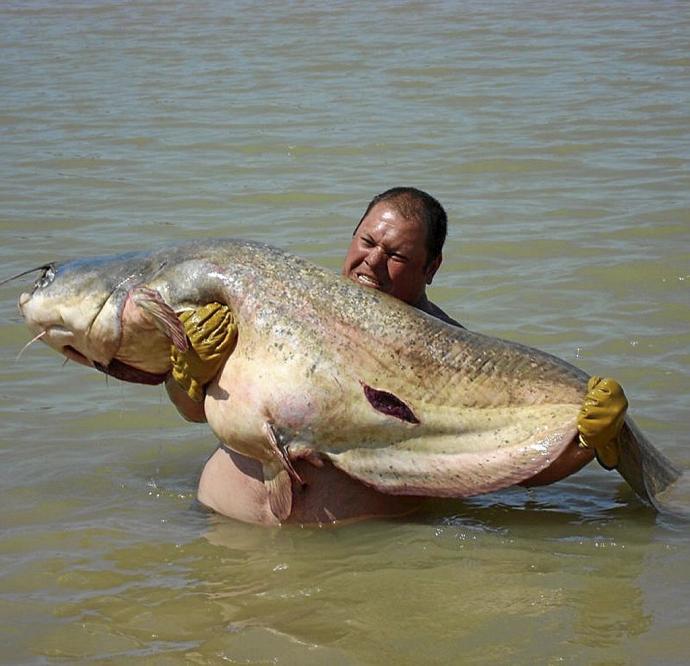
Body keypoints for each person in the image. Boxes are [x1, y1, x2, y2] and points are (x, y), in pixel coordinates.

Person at [166, 187, 628, 525]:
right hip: (220, 530)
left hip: (353, 561)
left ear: (431, 268)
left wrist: (584, 442)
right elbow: (193, 410)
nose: (372, 261)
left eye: (397, 256)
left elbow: (506, 466)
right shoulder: (278, 307)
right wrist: (188, 373)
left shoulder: (455, 358)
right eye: (367, 243)